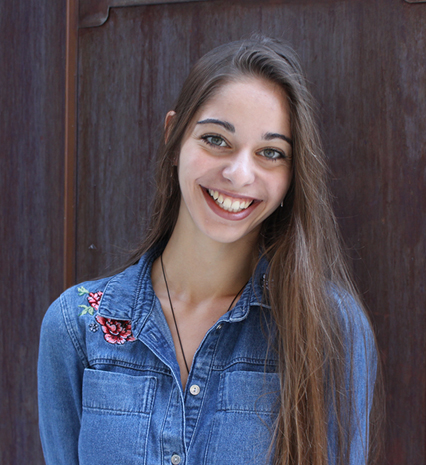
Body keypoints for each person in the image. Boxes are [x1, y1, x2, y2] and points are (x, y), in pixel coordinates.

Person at [38, 36, 378, 465]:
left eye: (271, 153)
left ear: (292, 175)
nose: (238, 173)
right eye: (216, 139)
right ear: (174, 137)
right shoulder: (76, 326)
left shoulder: (331, 327)